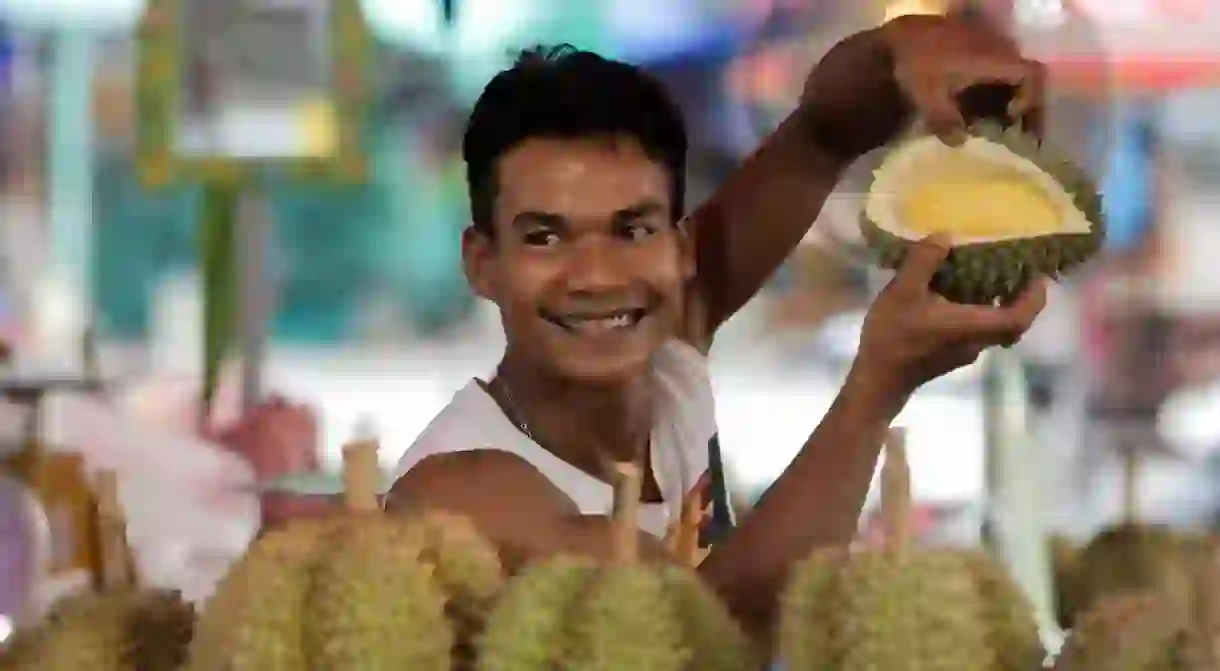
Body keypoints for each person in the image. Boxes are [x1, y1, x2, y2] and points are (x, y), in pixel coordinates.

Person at [385, 14, 1049, 644]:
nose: (595, 275)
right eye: (544, 236)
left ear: (678, 250)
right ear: (483, 263)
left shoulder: (667, 338)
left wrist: (900, 51)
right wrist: (878, 385)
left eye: (632, 229)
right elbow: (707, 637)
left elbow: (819, 136)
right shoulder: (457, 498)